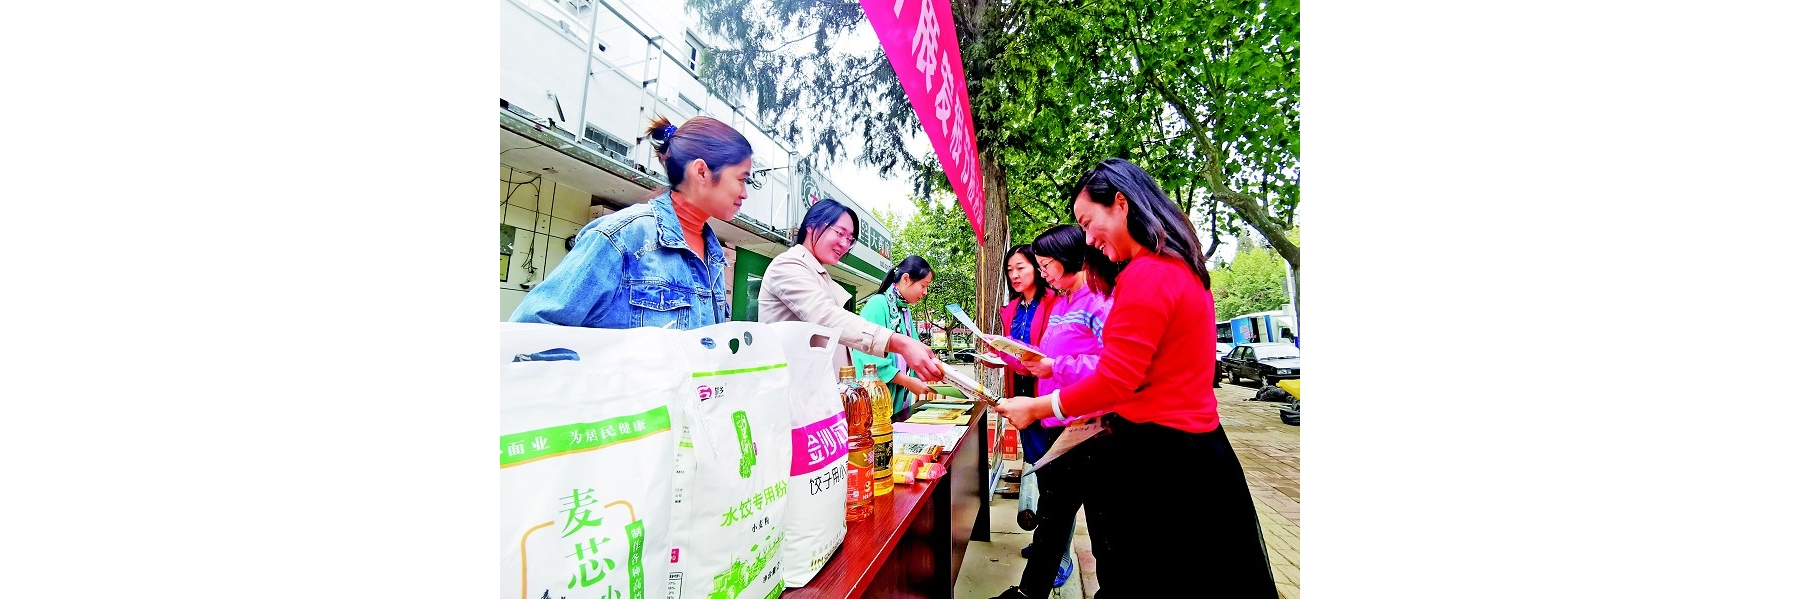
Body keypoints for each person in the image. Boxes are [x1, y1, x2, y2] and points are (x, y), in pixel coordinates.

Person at [994, 158, 1277, 597]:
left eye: (1088, 223)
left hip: (1160, 457)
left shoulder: (1147, 274)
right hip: (1195, 449)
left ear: (1121, 203)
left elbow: (1116, 378)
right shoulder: (1180, 266)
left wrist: (1038, 406)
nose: (1089, 240)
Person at [509, 115, 751, 329]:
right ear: (701, 172)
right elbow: (531, 331)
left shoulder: (714, 255)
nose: (744, 194)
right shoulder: (620, 237)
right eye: (741, 179)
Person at [991, 225, 1117, 599]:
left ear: (1069, 259)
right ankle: (1029, 592)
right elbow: (1050, 361)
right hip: (1056, 425)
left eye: (1045, 265)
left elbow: (1113, 366)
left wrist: (1055, 366)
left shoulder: (1098, 302)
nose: (1043, 273)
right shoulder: (1062, 304)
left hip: (1091, 429)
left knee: (1103, 526)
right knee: (1053, 517)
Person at [759, 198, 944, 383]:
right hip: (792, 392)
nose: (844, 244)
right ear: (811, 225)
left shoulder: (819, 275)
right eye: (840, 233)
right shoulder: (788, 265)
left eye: (850, 239)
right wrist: (901, 343)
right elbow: (827, 317)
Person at [852, 255, 936, 416]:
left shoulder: (904, 312)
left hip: (898, 403)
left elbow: (916, 352)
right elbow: (869, 362)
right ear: (906, 279)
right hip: (876, 401)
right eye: (923, 285)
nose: (925, 292)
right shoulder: (877, 304)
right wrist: (908, 382)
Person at [982, 244, 1055, 400]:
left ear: (1037, 268)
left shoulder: (1057, 304)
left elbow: (1052, 353)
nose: (1014, 275)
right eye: (1009, 270)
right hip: (1016, 387)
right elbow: (1012, 352)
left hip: (1045, 389)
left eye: (1020, 268)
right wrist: (997, 355)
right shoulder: (1011, 310)